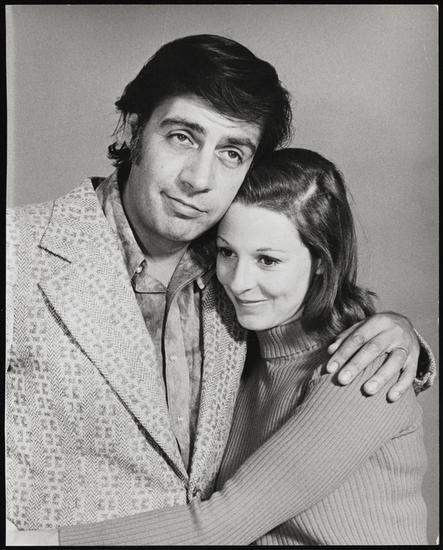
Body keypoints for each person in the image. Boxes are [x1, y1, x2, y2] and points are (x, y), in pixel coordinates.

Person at [6, 35, 435, 542]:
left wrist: (400, 336)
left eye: (231, 152)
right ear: (135, 129)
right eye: (182, 137)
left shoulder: (231, 266)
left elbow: (314, 324)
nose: (199, 179)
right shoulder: (18, 250)